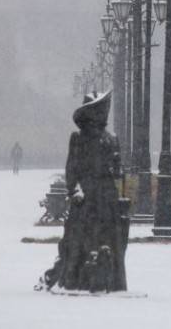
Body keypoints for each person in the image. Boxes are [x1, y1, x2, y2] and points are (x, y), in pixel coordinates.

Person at [38, 91, 127, 293]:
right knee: (82, 238)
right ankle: (80, 278)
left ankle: (108, 279)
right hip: (87, 195)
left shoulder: (111, 138)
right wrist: (74, 190)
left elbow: (116, 169)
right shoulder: (78, 138)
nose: (103, 112)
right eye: (99, 108)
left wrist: (116, 165)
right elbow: (72, 167)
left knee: (107, 238)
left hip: (107, 196)